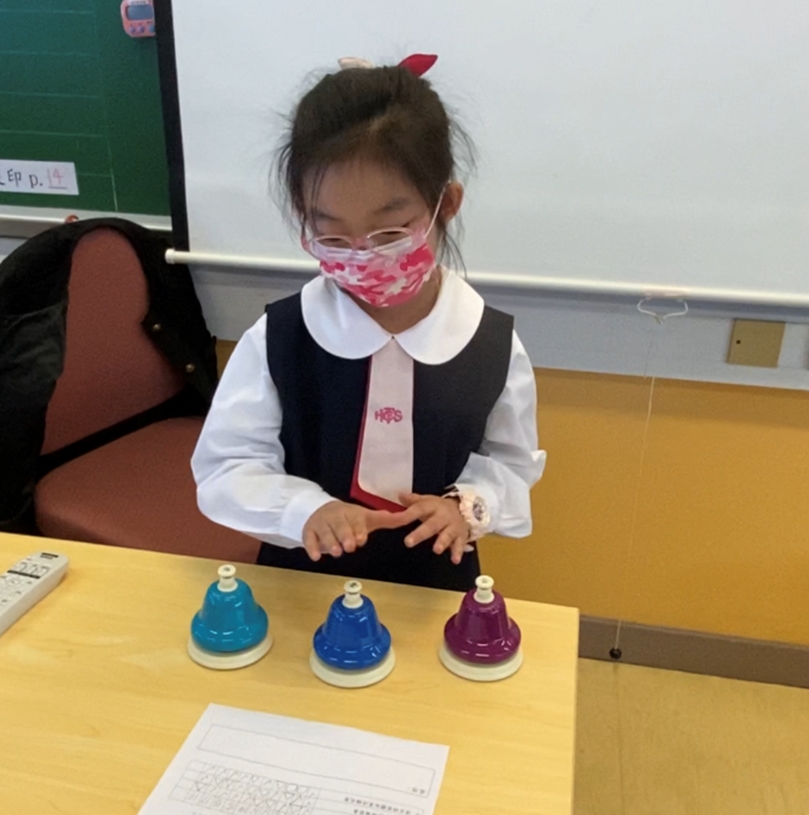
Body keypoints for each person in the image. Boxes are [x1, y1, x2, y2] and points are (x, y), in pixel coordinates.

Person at [191, 54, 546, 591]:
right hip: (301, 583)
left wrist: (467, 506)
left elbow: (511, 464)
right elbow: (228, 465)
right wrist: (304, 509)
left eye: (390, 233)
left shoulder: (488, 343)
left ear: (446, 205)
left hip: (432, 586)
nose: (362, 255)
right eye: (332, 236)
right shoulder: (281, 336)